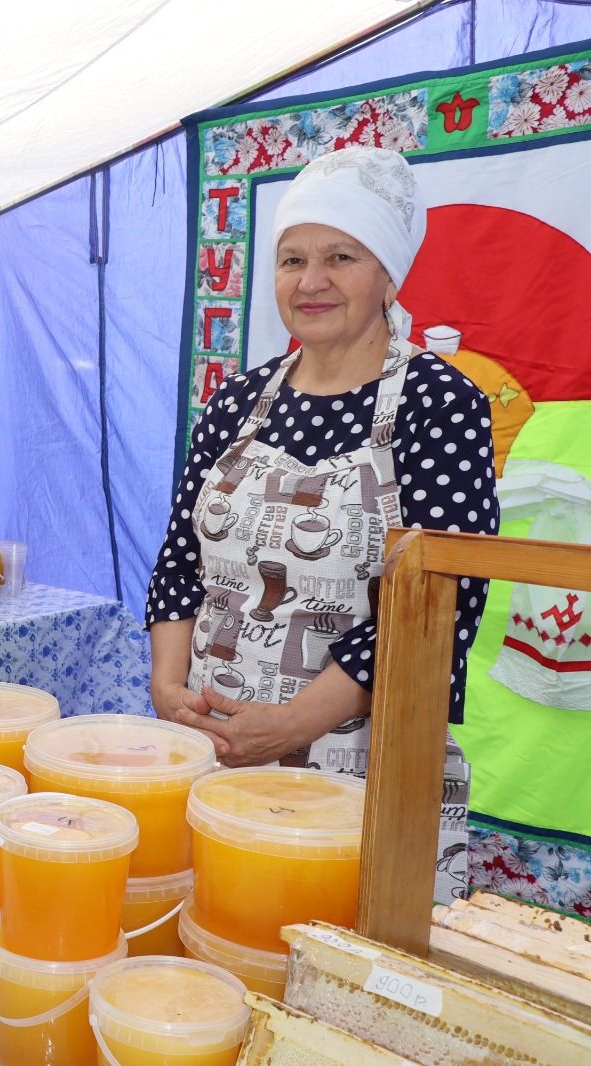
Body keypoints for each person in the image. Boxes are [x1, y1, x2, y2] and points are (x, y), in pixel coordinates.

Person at [147, 147, 497, 773]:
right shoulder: (237, 401)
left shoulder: (439, 402)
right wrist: (169, 691)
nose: (311, 282)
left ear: (389, 274)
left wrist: (290, 726)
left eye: (341, 257)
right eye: (293, 260)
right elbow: (179, 560)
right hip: (212, 745)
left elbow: (440, 605)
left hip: (365, 764)